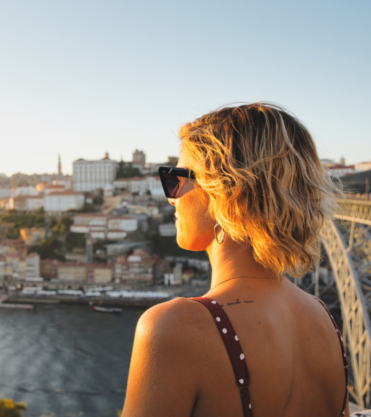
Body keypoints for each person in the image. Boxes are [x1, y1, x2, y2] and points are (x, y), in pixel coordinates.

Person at [123, 103, 348, 417]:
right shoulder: (324, 319)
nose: (172, 197)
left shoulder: (173, 328)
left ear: (222, 193)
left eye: (176, 179)